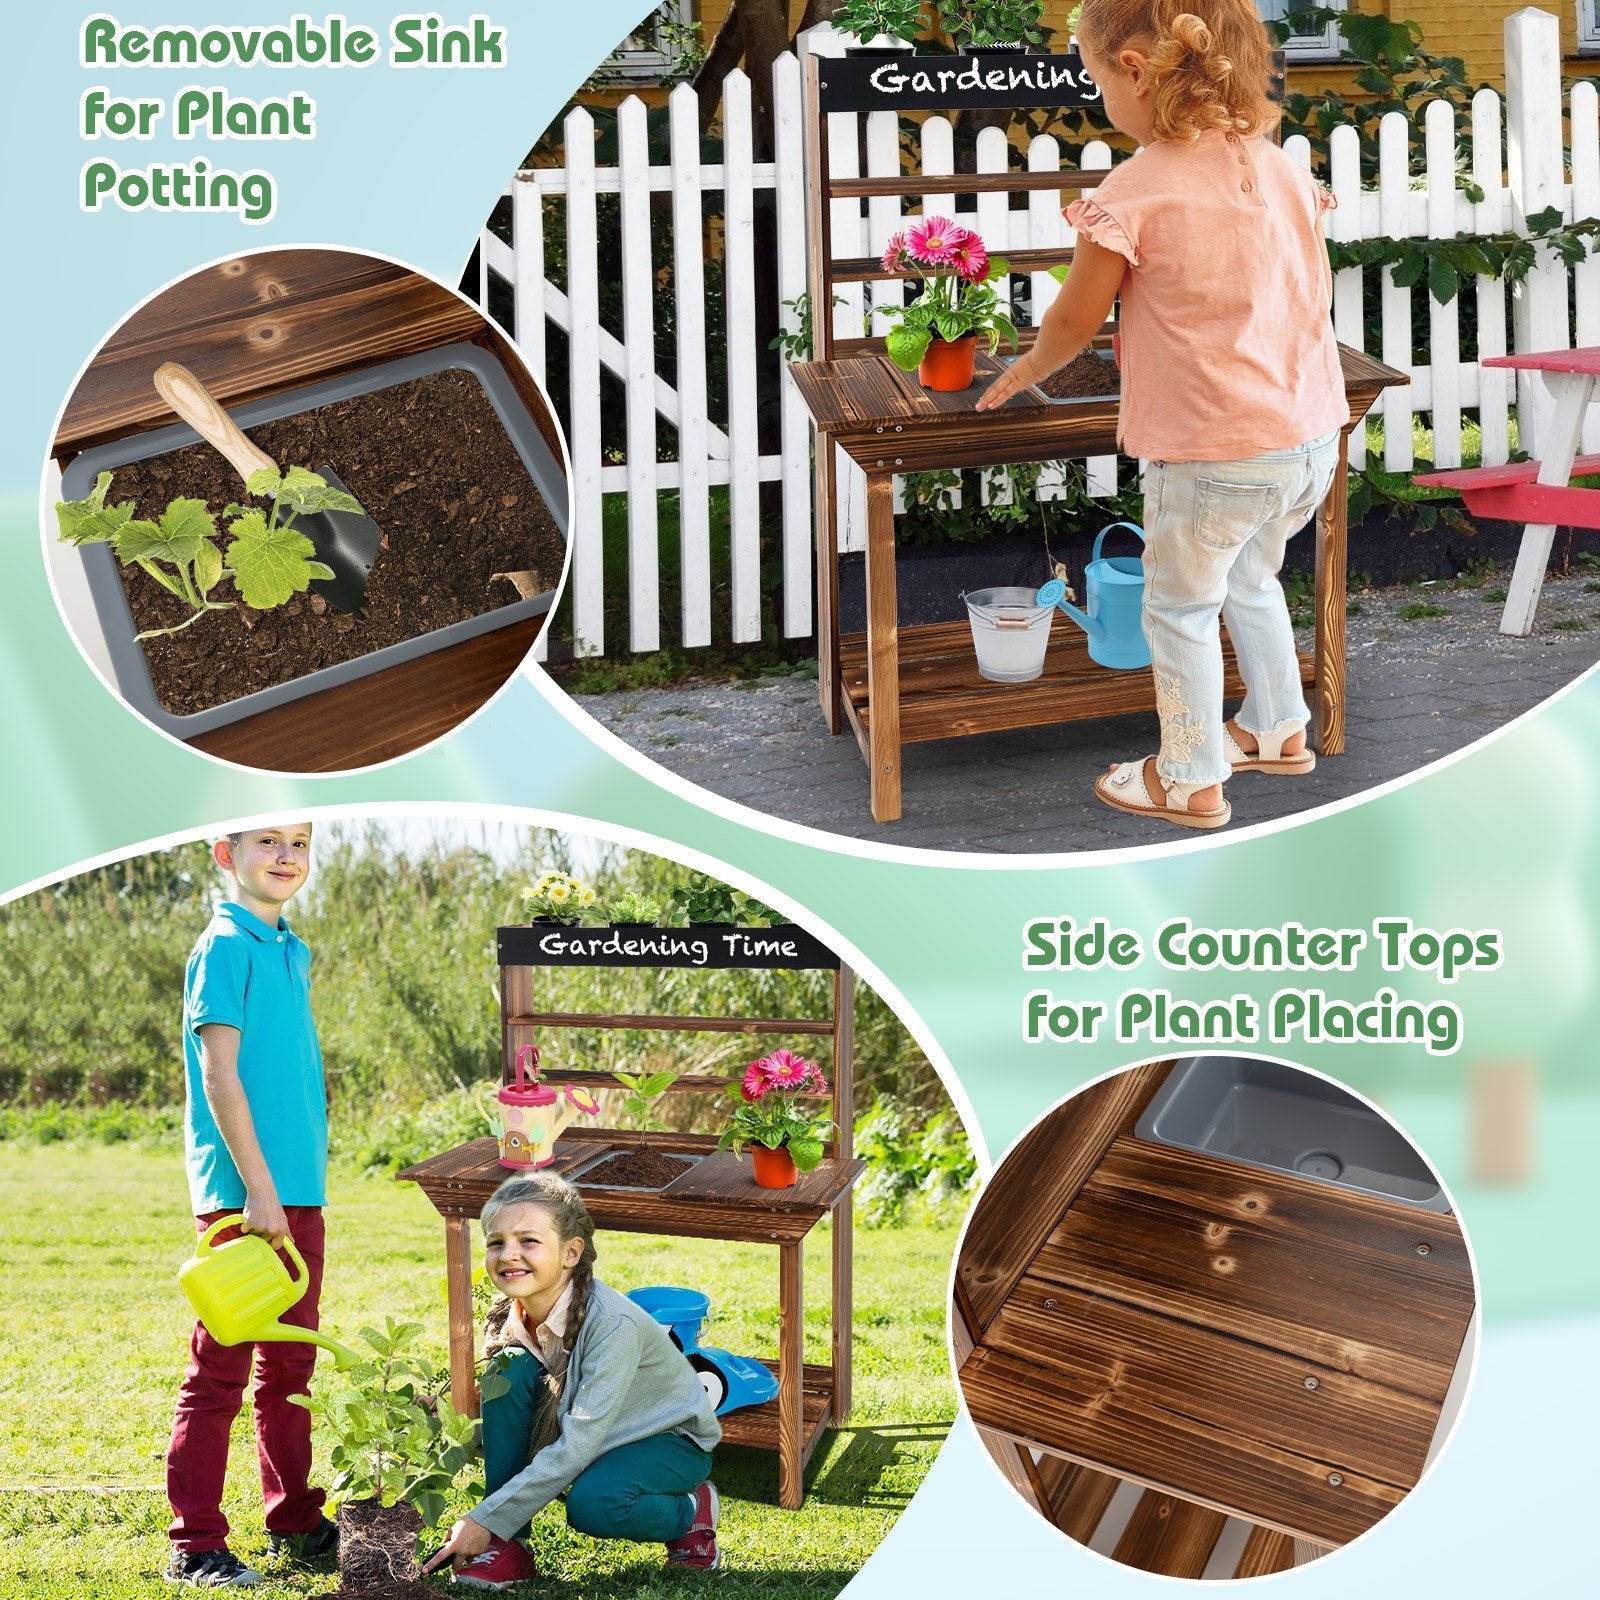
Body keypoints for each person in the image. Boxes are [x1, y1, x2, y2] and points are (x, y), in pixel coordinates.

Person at [979, 0, 1347, 830]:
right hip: (1307, 439)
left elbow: (1076, 320)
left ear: (1138, 70)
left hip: (1213, 453)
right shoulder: (1281, 166)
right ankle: (1278, 728)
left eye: (1098, 77)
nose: (1098, 94)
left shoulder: (1136, 188)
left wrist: (1031, 366)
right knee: (1252, 578)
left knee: (1176, 609)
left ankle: (1187, 775)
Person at [164, 823, 337, 1588]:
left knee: (291, 1369)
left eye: (299, 842)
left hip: (297, 1195)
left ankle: (293, 1519)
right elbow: (219, 1073)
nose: (286, 856)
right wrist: (259, 1192)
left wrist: (293, 1189)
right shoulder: (224, 944)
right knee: (221, 1372)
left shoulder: (289, 948)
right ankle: (195, 1541)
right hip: (246, 1199)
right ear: (225, 854)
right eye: (267, 841)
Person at [422, 1173, 723, 1588]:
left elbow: (578, 1445)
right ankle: (510, 1546)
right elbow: (508, 1427)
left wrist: (483, 1520)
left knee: (594, 1505)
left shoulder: (613, 1324)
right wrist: (443, 1421)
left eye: (528, 1241)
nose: (509, 1254)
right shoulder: (516, 1317)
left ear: (571, 1253)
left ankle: (690, 1512)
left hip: (668, 1440)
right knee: (506, 1372)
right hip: (598, 1430)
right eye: (496, 1243)